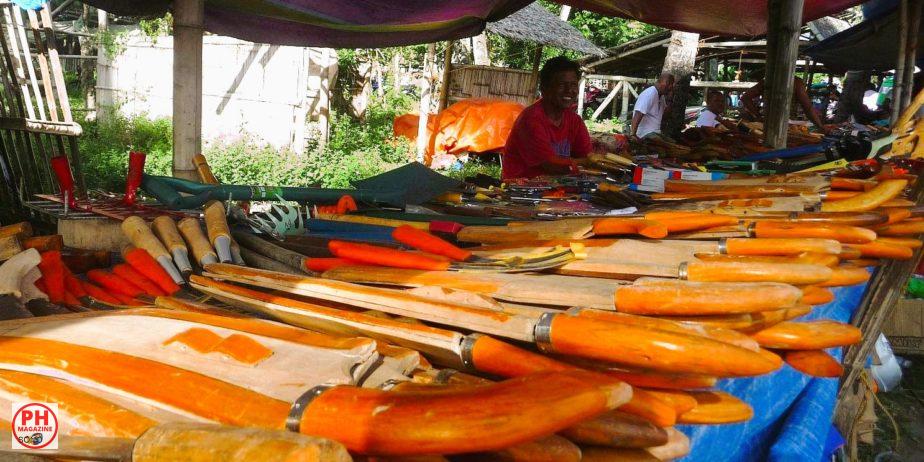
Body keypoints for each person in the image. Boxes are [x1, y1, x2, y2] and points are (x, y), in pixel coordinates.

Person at [502, 56, 594, 179]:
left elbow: (587, 156)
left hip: (557, 190)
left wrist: (593, 162)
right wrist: (589, 163)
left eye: (573, 85)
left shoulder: (575, 121)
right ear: (544, 88)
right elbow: (551, 165)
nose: (569, 90)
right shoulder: (531, 120)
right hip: (521, 191)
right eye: (562, 84)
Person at [741, 76, 830, 134]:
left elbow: (745, 98)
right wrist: (820, 126)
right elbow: (808, 108)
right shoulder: (796, 82)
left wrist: (758, 116)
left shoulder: (766, 80)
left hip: (766, 124)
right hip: (788, 128)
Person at [631, 73, 675, 139]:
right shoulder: (649, 94)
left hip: (655, 133)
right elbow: (638, 113)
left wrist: (670, 99)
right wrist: (633, 135)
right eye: (670, 84)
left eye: (671, 85)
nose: (671, 87)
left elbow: (665, 116)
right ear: (664, 82)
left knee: (674, 143)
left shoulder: (661, 96)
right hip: (645, 134)